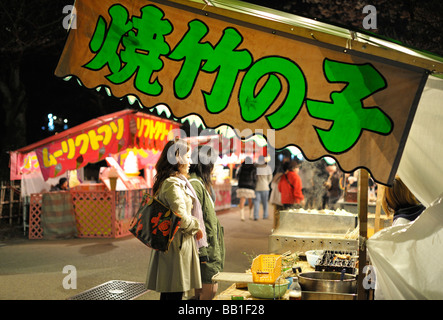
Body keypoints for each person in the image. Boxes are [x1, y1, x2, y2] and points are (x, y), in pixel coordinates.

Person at [146, 139, 205, 300]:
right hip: (175, 246)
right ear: (177, 157)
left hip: (176, 245)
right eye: (187, 156)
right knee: (173, 292)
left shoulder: (175, 181)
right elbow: (180, 216)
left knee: (173, 291)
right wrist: (196, 226)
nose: (190, 161)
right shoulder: (172, 184)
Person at [189, 145, 225, 300]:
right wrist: (203, 252)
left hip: (208, 243)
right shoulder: (196, 184)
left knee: (202, 290)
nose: (217, 166)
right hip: (204, 246)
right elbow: (194, 217)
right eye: (215, 162)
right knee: (209, 291)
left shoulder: (202, 183)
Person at [236, 156, 257, 221]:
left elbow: (237, 176)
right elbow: (255, 178)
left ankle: (242, 216)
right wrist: (254, 185)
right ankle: (250, 215)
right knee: (250, 201)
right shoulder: (253, 168)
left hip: (242, 186)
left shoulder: (241, 167)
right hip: (250, 186)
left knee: (242, 200)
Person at [253, 155, 273, 220]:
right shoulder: (267, 167)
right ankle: (265, 215)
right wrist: (267, 183)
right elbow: (270, 177)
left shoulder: (255, 167)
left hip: (256, 187)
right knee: (265, 202)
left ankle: (256, 216)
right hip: (265, 187)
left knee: (256, 202)